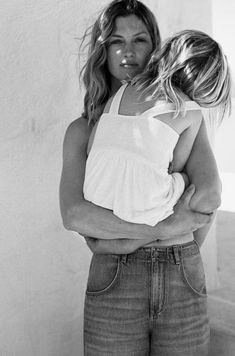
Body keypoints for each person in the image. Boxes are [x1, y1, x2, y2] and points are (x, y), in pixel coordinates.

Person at [59, 1, 227, 355]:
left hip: (181, 270)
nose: (128, 52)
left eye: (140, 40)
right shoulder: (80, 130)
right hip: (114, 277)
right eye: (116, 41)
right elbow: (75, 215)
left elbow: (210, 191)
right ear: (102, 51)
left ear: (157, 48)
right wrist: (165, 229)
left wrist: (117, 233)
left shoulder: (181, 114)